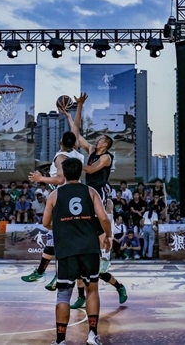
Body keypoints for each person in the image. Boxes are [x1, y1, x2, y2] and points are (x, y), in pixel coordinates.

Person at [64, 93, 128, 309]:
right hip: (87, 191)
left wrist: (72, 164)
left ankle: (117, 283)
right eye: (98, 139)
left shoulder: (106, 157)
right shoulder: (91, 150)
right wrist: (70, 114)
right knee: (79, 264)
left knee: (98, 270)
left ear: (106, 145)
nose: (98, 140)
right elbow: (78, 135)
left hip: (98, 190)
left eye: (101, 140)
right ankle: (81, 296)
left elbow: (91, 170)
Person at [42, 158, 112, 345]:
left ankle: (60, 340)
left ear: (63, 173)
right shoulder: (90, 191)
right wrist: (109, 236)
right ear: (81, 172)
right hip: (89, 248)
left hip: (66, 250)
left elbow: (45, 223)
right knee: (92, 290)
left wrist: (61, 227)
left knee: (63, 294)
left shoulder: (55, 195)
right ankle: (92, 335)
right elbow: (104, 218)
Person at [21, 131, 85, 289]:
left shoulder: (61, 157)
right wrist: (72, 116)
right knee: (55, 239)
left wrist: (40, 178)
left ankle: (54, 274)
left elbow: (60, 179)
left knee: (56, 236)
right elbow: (75, 130)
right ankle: (46, 273)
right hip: (75, 198)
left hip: (63, 199)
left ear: (60, 141)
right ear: (74, 144)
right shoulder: (77, 154)